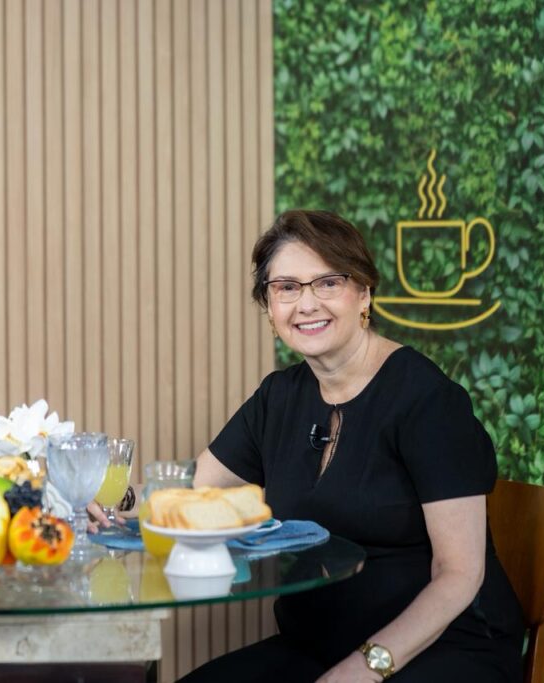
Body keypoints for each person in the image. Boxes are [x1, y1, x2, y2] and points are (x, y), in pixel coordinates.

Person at [181, 210, 523, 682]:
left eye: (328, 283)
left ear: (364, 293)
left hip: (442, 648)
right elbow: (190, 488)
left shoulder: (427, 401)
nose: (306, 304)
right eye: (287, 287)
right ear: (269, 306)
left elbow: (460, 573)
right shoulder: (279, 397)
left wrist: (366, 667)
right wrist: (115, 501)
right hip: (318, 645)